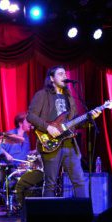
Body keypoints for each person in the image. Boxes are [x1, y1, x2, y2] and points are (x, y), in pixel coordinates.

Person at [27, 65, 101, 198]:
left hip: (69, 144)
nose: (65, 76)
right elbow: (30, 116)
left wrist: (90, 118)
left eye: (65, 74)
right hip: (49, 143)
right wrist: (48, 127)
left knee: (79, 181)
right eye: (60, 74)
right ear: (51, 78)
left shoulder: (70, 98)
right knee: (50, 183)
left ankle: (84, 216)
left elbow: (74, 123)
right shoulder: (42, 94)